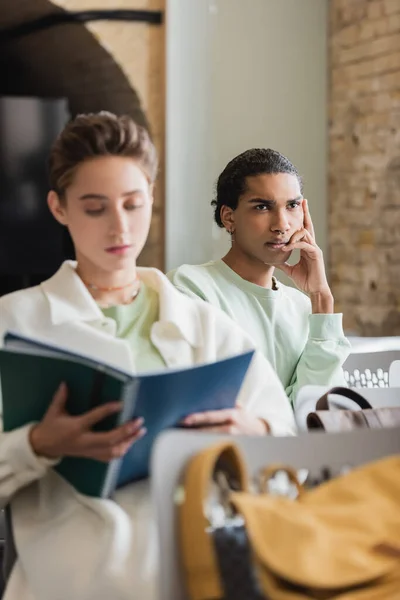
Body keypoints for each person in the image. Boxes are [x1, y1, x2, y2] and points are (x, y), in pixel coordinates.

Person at [0, 114, 296, 600]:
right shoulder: (15, 323)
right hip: (75, 586)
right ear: (58, 207)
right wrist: (36, 445)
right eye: (95, 208)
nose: (120, 226)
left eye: (134, 205)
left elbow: (288, 451)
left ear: (151, 199)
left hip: (200, 576)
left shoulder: (206, 326)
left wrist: (252, 433)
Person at [168, 148, 351, 403]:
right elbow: (219, 403)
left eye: (292, 206)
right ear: (228, 217)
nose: (281, 224)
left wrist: (321, 299)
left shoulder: (303, 308)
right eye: (263, 207)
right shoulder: (190, 288)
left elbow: (320, 411)